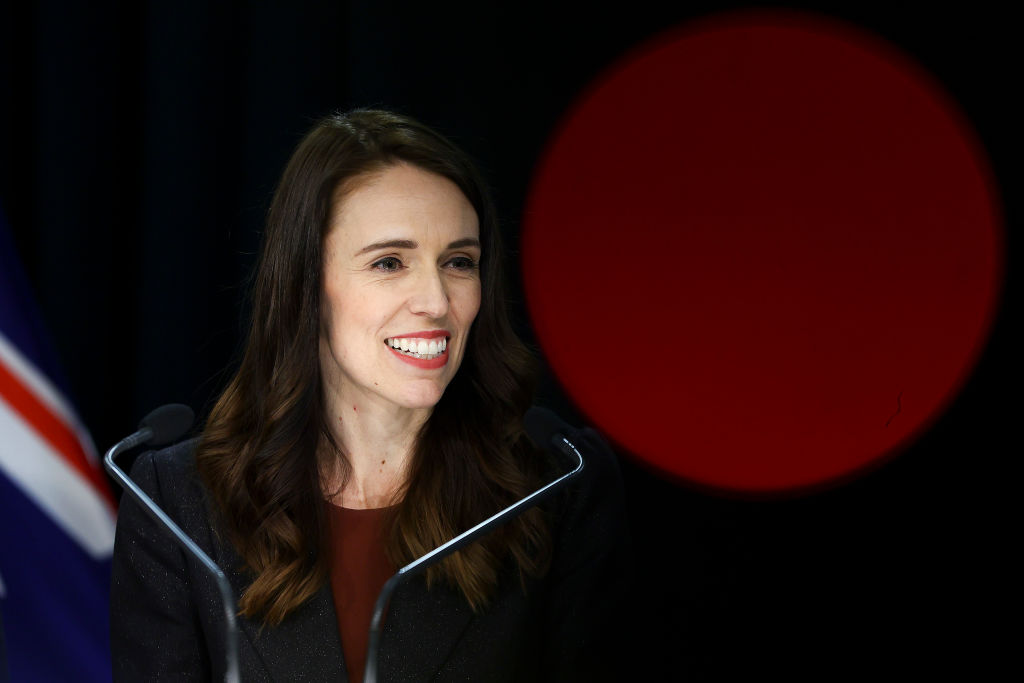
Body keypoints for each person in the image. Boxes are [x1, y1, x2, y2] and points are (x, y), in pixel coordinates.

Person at [110, 109, 631, 681]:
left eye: (459, 262)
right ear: (307, 286)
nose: (436, 301)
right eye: (389, 262)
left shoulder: (559, 484)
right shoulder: (176, 502)